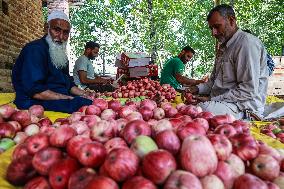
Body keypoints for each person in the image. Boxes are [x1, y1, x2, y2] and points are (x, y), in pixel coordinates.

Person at [188, 4, 268, 119]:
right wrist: (196, 89)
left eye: (217, 27)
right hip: (224, 102)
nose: (213, 33)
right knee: (193, 106)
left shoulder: (246, 43)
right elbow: (213, 83)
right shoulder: (223, 48)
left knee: (202, 110)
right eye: (211, 29)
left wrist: (212, 99)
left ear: (231, 20)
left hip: (243, 106)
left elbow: (248, 90)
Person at [12, 10, 93, 113]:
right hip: (35, 100)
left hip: (58, 96)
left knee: (91, 101)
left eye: (65, 32)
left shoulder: (61, 55)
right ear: (46, 28)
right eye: (57, 30)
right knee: (86, 106)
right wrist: (68, 98)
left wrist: (84, 93)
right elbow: (36, 91)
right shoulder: (35, 49)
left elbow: (68, 84)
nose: (61, 37)